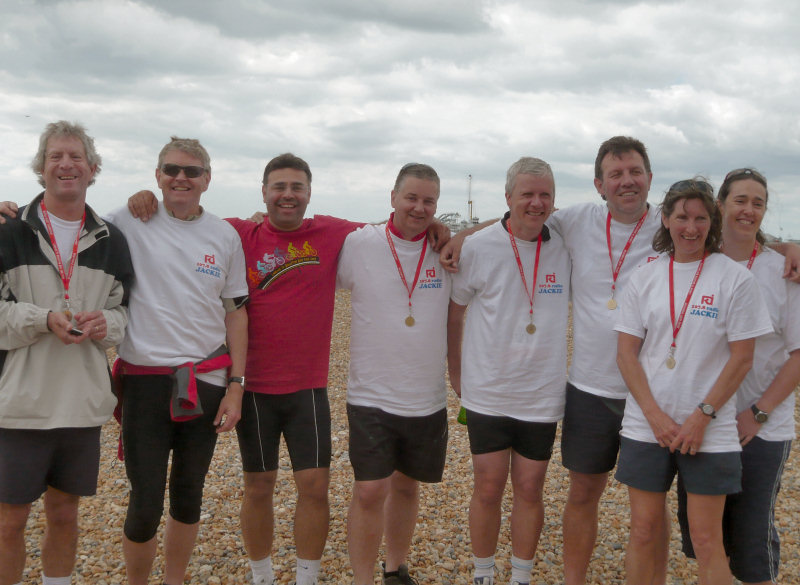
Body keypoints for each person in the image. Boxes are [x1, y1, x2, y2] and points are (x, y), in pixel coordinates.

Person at [124, 153, 449, 585]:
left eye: (297, 187)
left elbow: (395, 228)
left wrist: (438, 225)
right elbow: (188, 220)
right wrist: (146, 199)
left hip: (307, 388)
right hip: (255, 388)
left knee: (314, 488)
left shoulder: (331, 232)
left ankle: (306, 578)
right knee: (258, 487)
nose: (288, 195)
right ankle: (262, 575)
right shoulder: (237, 233)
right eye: (279, 187)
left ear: (310, 193)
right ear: (264, 192)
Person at [614, 179, 772, 584]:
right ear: (666, 219)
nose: (691, 227)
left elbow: (742, 358)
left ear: (712, 222)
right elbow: (626, 355)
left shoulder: (734, 279)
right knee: (644, 530)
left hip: (710, 429)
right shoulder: (644, 277)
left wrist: (702, 417)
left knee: (706, 540)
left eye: (701, 218)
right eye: (682, 217)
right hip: (647, 426)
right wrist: (654, 417)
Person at [107, 137, 249, 585]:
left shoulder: (224, 235)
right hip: (145, 380)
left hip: (206, 381)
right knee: (145, 500)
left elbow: (236, 312)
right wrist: (12, 212)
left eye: (191, 171)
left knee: (189, 495)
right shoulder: (128, 219)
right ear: (157, 176)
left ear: (207, 179)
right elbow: (69, 225)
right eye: (171, 170)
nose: (180, 178)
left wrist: (236, 386)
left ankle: (174, 580)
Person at [0, 121, 133, 585]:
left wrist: (105, 325)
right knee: (9, 522)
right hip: (18, 405)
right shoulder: (9, 231)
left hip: (80, 404)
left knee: (64, 514)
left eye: (76, 156)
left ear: (92, 169)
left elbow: (124, 314)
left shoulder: (112, 240)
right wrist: (42, 319)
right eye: (55, 156)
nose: (66, 164)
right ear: (41, 167)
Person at [447, 157, 571, 585]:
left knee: (531, 488)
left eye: (545, 195)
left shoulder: (565, 243)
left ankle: (521, 575)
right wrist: (455, 370)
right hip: (489, 391)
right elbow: (455, 312)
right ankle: (483, 573)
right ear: (507, 197)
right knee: (487, 486)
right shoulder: (478, 246)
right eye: (527, 194)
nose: (536, 203)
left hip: (541, 393)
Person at [676, 169, 800, 585]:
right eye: (740, 200)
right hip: (703, 423)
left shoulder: (783, 272)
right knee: (707, 539)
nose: (749, 210)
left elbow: (798, 355)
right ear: (720, 205)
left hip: (759, 428)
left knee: (751, 545)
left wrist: (758, 413)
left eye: (758, 203)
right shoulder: (697, 263)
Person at [337, 163, 451, 585]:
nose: (419, 208)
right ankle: (362, 578)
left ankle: (394, 568)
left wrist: (450, 231)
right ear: (393, 197)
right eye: (411, 198)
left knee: (406, 486)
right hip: (371, 393)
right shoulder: (360, 244)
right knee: (370, 490)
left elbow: (503, 227)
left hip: (426, 394)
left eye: (429, 201)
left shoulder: (446, 249)